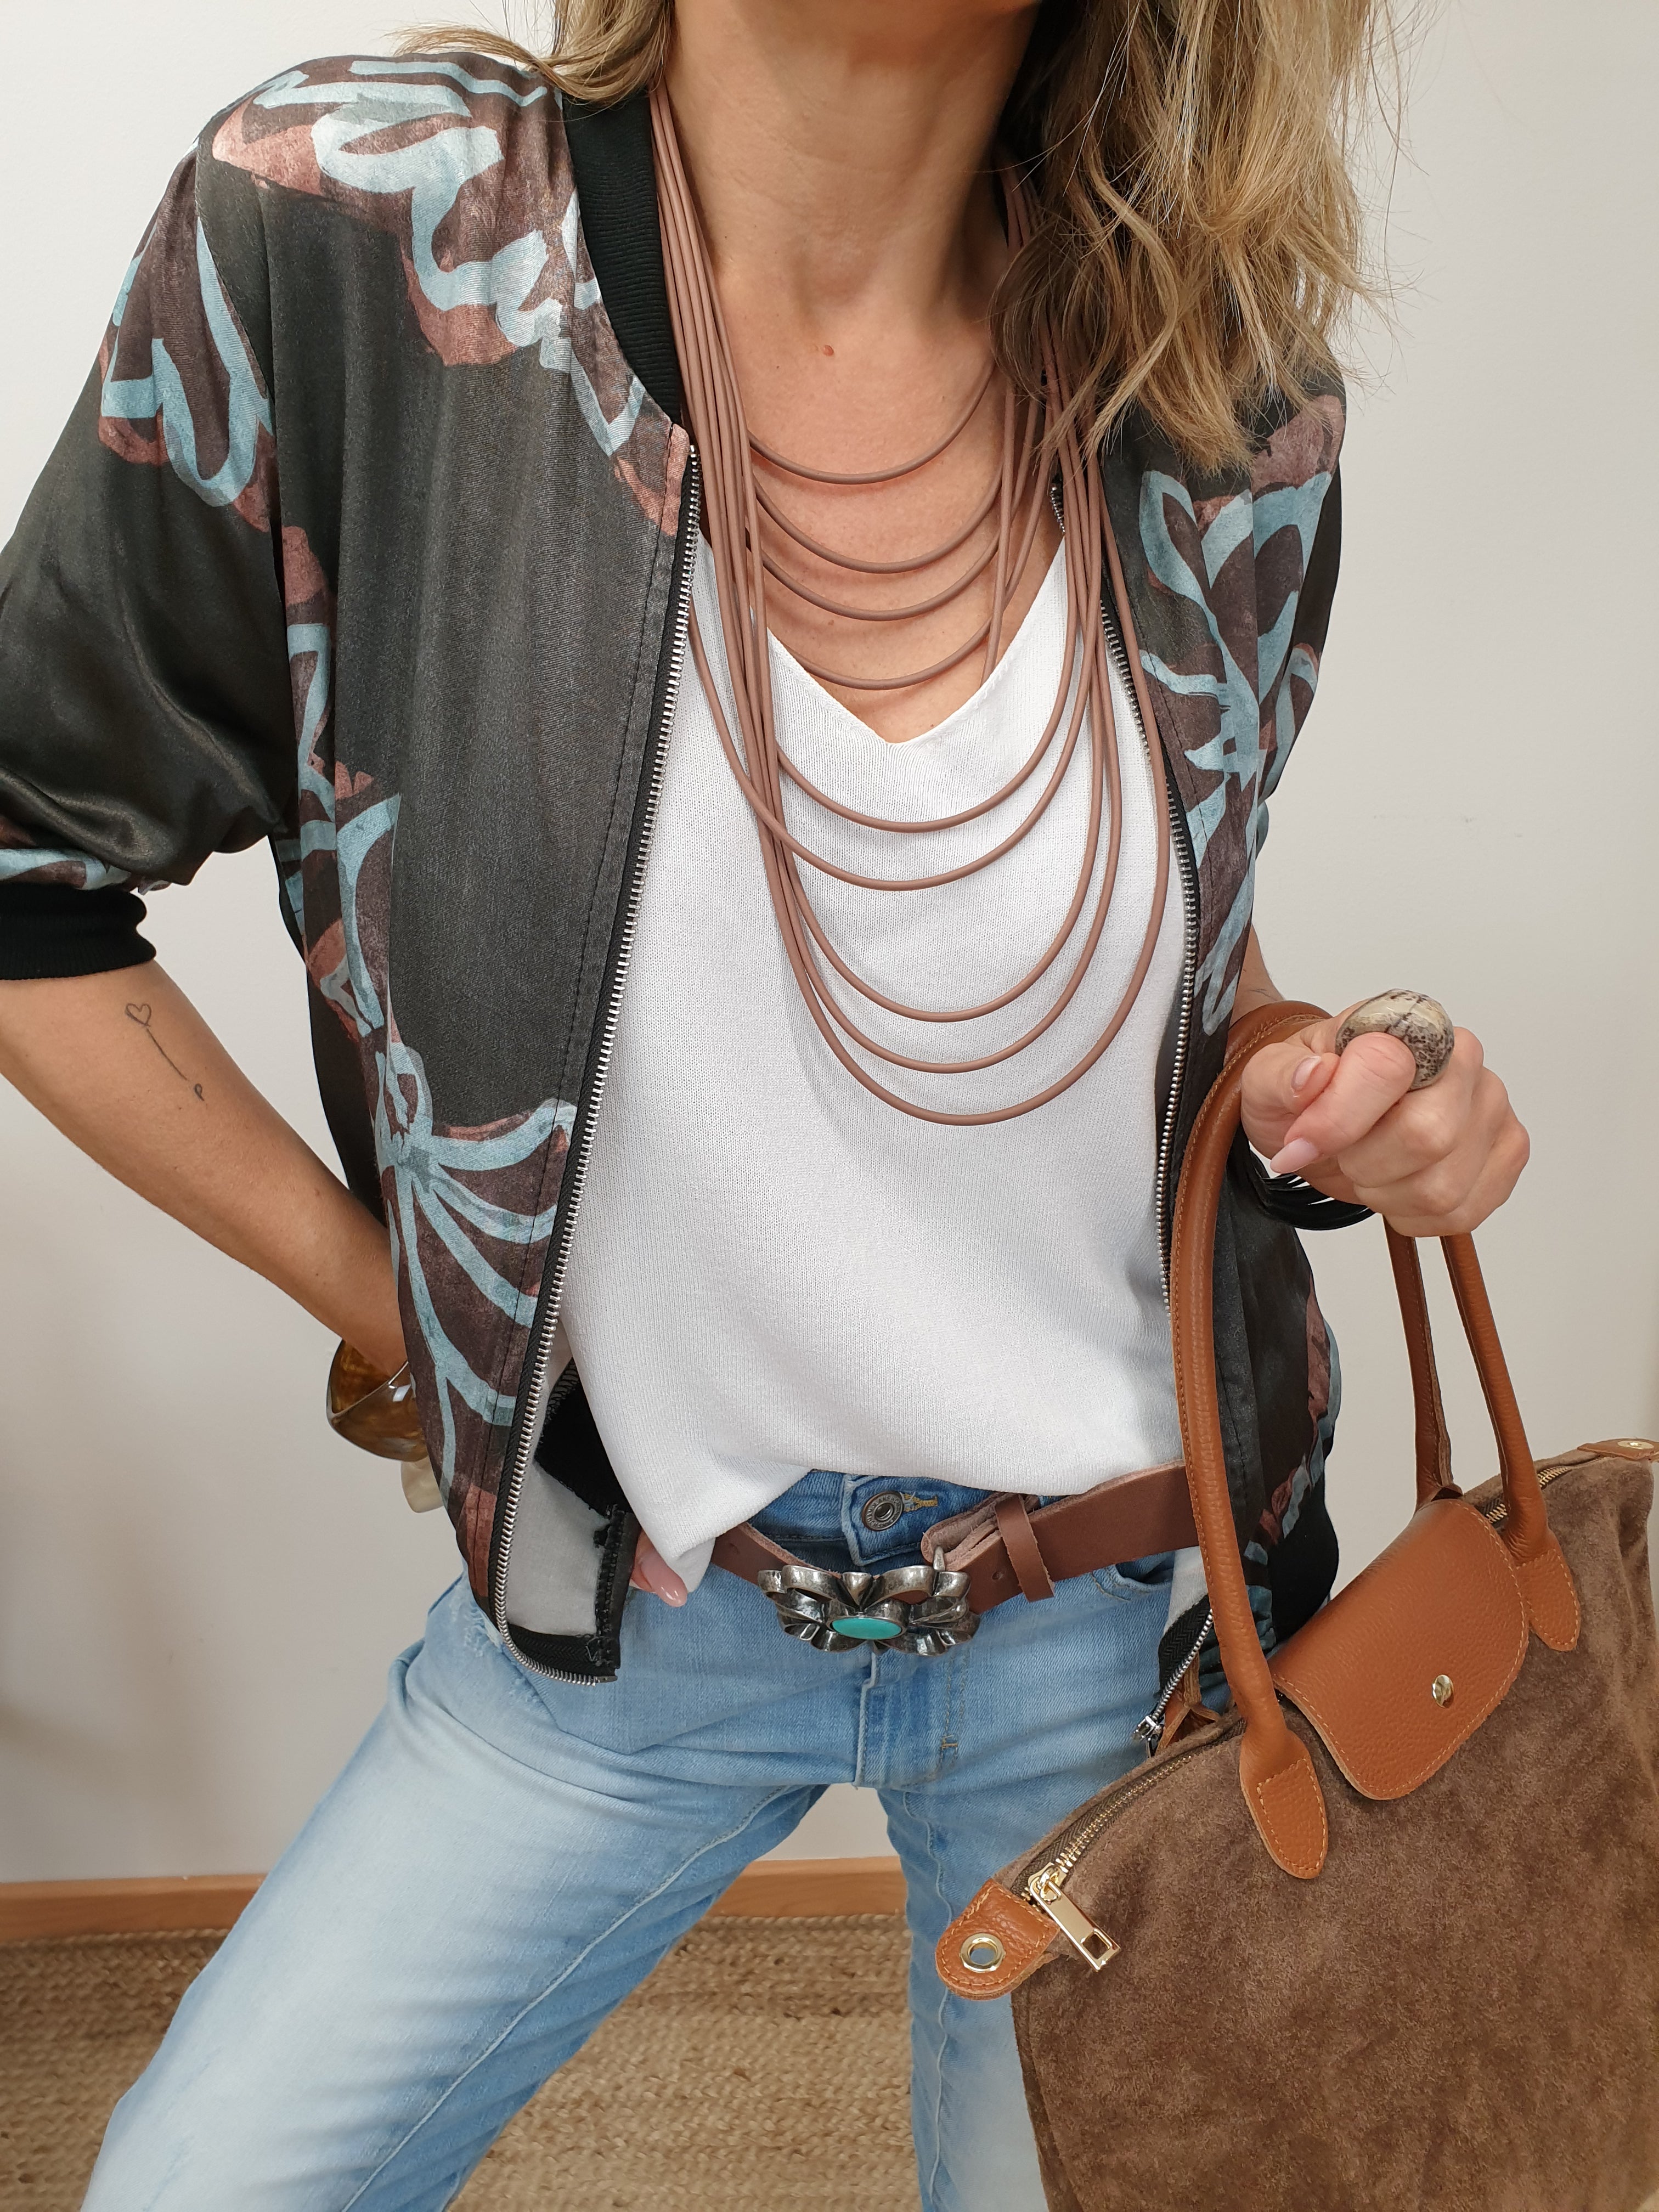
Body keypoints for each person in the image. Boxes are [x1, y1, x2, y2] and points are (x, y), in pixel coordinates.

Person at [0, 1, 1528, 2204]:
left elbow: (1187, 966)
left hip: (1127, 1624)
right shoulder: (362, 236)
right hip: (636, 1599)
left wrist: (1329, 1082)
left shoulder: (1218, 389)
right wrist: (419, 1319)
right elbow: (30, 874)